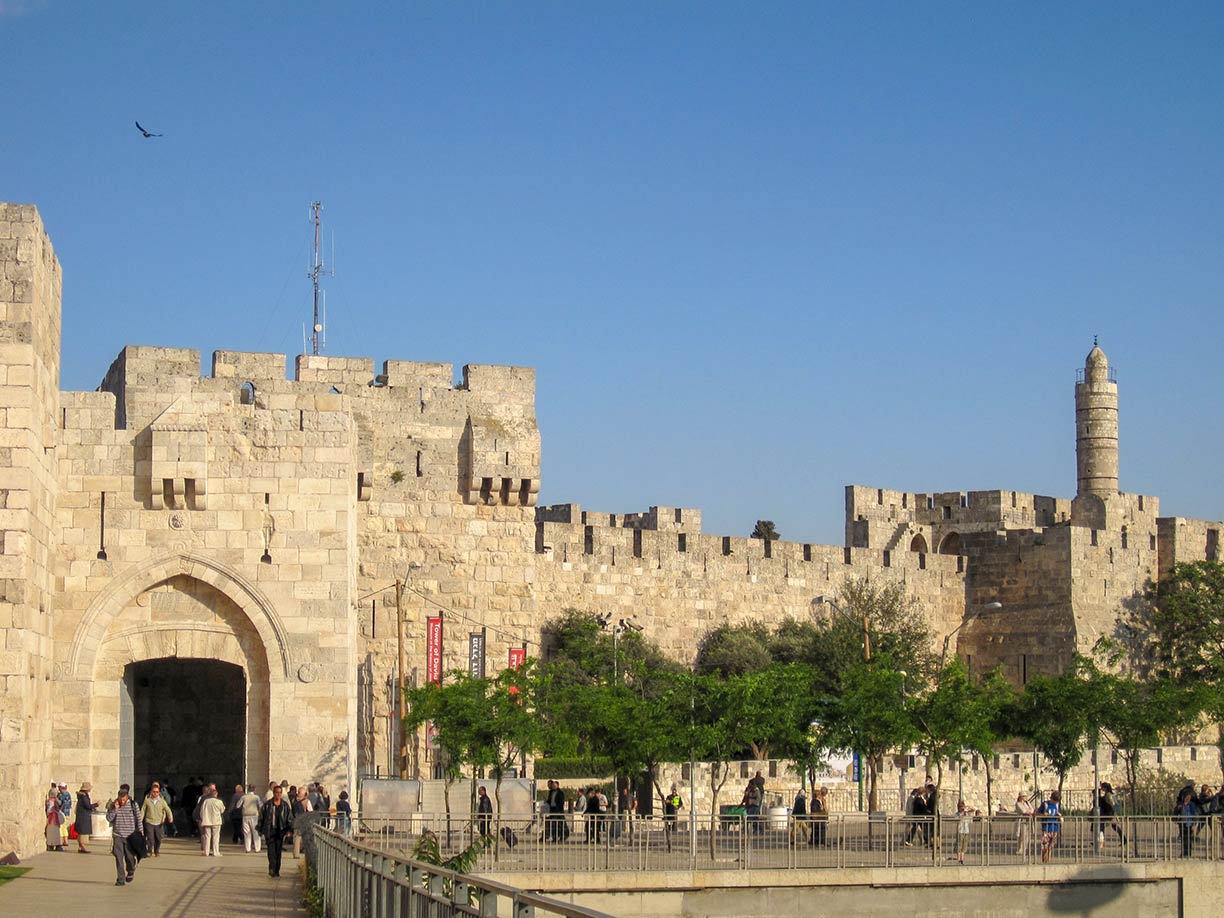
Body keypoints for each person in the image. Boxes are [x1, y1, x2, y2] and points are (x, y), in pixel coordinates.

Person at [105, 787, 143, 887]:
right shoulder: (113, 805)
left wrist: (141, 833)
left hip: (130, 836)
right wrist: (115, 809)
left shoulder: (133, 805)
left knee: (130, 858)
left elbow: (139, 819)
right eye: (120, 799)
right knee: (118, 857)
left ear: (127, 797)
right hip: (118, 836)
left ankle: (131, 870)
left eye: (124, 799)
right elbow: (109, 818)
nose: (122, 801)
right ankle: (120, 879)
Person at [257, 783, 293, 878]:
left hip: (280, 831)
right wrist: (260, 829)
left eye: (280, 793)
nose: (278, 794)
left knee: (278, 852)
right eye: (276, 792)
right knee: (271, 852)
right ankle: (272, 869)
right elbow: (262, 817)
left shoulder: (285, 806)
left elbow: (289, 819)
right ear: (273, 793)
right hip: (270, 830)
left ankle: (277, 870)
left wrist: (289, 830)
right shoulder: (267, 805)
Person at [140, 781, 173, 857]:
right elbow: (143, 810)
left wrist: (170, 817)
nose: (155, 793)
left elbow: (167, 809)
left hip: (158, 822)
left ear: (159, 792)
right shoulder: (147, 800)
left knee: (158, 838)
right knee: (150, 838)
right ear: (151, 792)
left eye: (157, 792)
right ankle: (149, 851)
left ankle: (156, 850)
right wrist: (140, 819)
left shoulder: (162, 801)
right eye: (154, 792)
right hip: (149, 821)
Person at [199, 785, 226, 856]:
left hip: (207, 821)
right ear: (216, 794)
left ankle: (206, 852)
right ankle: (215, 852)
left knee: (207, 837)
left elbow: (201, 811)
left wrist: (203, 818)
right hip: (216, 821)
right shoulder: (219, 802)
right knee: (216, 837)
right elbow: (222, 810)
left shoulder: (206, 801)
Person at [1175, 786, 1200, 857]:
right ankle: (1184, 853)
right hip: (1183, 823)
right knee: (1184, 838)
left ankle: (1187, 853)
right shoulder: (1181, 804)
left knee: (1188, 839)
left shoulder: (1191, 805)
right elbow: (1176, 812)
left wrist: (1194, 824)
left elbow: (1194, 814)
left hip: (1189, 823)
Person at [1037, 790, 1062, 862]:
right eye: (1054, 801)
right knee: (1044, 846)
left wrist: (1059, 816)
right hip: (1046, 828)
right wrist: (1043, 815)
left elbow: (1059, 813)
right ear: (1051, 798)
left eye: (1057, 801)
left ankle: (1049, 860)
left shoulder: (1057, 805)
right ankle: (1044, 860)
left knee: (1051, 846)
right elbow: (1038, 813)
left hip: (1054, 828)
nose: (1055, 803)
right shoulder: (1045, 804)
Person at [74, 782, 98, 853]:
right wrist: (96, 804)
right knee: (83, 832)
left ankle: (81, 847)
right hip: (84, 816)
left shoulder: (81, 795)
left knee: (81, 832)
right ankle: (82, 846)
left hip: (82, 815)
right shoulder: (84, 796)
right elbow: (87, 805)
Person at [240, 784, 264, 852]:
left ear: (248, 788)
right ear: (254, 789)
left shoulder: (243, 797)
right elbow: (261, 805)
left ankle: (248, 848)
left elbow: (238, 805)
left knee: (247, 832)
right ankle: (257, 848)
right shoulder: (256, 797)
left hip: (245, 815)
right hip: (254, 815)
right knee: (255, 832)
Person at [1014, 791, 1035, 856]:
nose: (1025, 797)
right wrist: (1028, 811)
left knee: (1027, 836)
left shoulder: (1027, 803)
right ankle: (1020, 849)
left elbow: (1032, 810)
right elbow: (1023, 811)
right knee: (1022, 835)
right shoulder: (1018, 803)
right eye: (1024, 796)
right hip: (1022, 821)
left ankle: (1025, 849)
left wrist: (1029, 811)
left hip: (1028, 820)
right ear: (1021, 797)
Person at [45, 787, 65, 852]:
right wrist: (53, 811)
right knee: (52, 832)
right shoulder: (50, 801)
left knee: (57, 832)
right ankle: (51, 845)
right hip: (52, 818)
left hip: (55, 818)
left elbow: (60, 804)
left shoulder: (56, 800)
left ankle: (57, 845)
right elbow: (49, 809)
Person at [56, 783, 73, 849]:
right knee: (64, 827)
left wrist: (57, 800)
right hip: (66, 813)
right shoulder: (66, 794)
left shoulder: (64, 795)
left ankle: (62, 840)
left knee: (61, 827)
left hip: (63, 813)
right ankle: (65, 840)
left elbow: (63, 804)